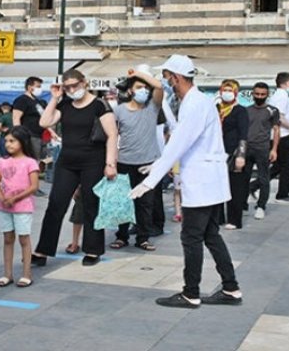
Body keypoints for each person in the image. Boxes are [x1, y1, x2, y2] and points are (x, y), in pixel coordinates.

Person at [130, 54, 242, 309]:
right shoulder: (198, 101)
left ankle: (190, 293)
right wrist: (157, 165)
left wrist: (151, 180)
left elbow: (180, 142)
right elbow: (179, 136)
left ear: (176, 77)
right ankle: (231, 287)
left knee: (191, 237)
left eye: (167, 77)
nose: (165, 82)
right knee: (211, 235)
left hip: (202, 183)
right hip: (210, 180)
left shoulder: (194, 104)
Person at [31, 69, 118, 267]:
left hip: (93, 161)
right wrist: (54, 98)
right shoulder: (65, 104)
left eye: (75, 85)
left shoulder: (99, 105)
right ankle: (43, 249)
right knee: (55, 204)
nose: (72, 89)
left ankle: (93, 250)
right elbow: (44, 122)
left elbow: (112, 135)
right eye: (67, 86)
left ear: (84, 83)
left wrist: (110, 163)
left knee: (91, 205)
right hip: (67, 161)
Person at [110, 67, 164, 251]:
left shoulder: (153, 108)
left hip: (148, 163)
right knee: (124, 202)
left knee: (146, 204)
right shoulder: (118, 110)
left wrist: (138, 75)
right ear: (131, 90)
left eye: (146, 89)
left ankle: (143, 238)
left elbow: (159, 87)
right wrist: (111, 161)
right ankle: (122, 236)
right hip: (124, 161)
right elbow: (113, 136)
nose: (145, 91)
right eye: (140, 87)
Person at [0, 126, 40, 288]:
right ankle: (8, 274)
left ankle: (27, 274)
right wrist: (3, 198)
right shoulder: (2, 161)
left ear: (22, 142)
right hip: (4, 207)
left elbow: (33, 186)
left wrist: (15, 198)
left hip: (23, 207)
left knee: (24, 239)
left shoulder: (30, 162)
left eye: (12, 141)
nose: (8, 144)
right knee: (7, 239)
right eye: (6, 141)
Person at [245, 82, 280, 220]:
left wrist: (274, 149)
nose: (259, 96)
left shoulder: (272, 111)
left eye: (262, 94)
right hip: (247, 148)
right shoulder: (246, 110)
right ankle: (242, 202)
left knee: (264, 178)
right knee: (243, 178)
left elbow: (276, 130)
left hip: (263, 148)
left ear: (267, 95)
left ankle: (261, 206)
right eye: (257, 94)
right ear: (252, 94)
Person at [217, 79, 248, 230]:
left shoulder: (240, 111)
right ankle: (218, 217)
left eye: (230, 91)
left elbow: (243, 134)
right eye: (224, 90)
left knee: (235, 187)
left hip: (234, 152)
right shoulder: (216, 108)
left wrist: (241, 155)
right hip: (217, 153)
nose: (227, 93)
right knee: (217, 186)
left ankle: (234, 219)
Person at [268, 72, 289, 203]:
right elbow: (279, 117)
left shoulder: (275, 96)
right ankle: (283, 193)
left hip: (277, 134)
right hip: (282, 134)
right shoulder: (282, 96)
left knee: (278, 166)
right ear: (286, 83)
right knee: (288, 165)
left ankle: (254, 186)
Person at [13, 77, 47, 196]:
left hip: (39, 135)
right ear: (29, 87)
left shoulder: (39, 102)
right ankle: (28, 187)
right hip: (28, 135)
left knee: (36, 162)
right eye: (38, 86)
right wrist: (18, 136)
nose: (40, 89)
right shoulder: (22, 100)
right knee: (29, 163)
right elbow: (16, 118)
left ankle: (32, 186)